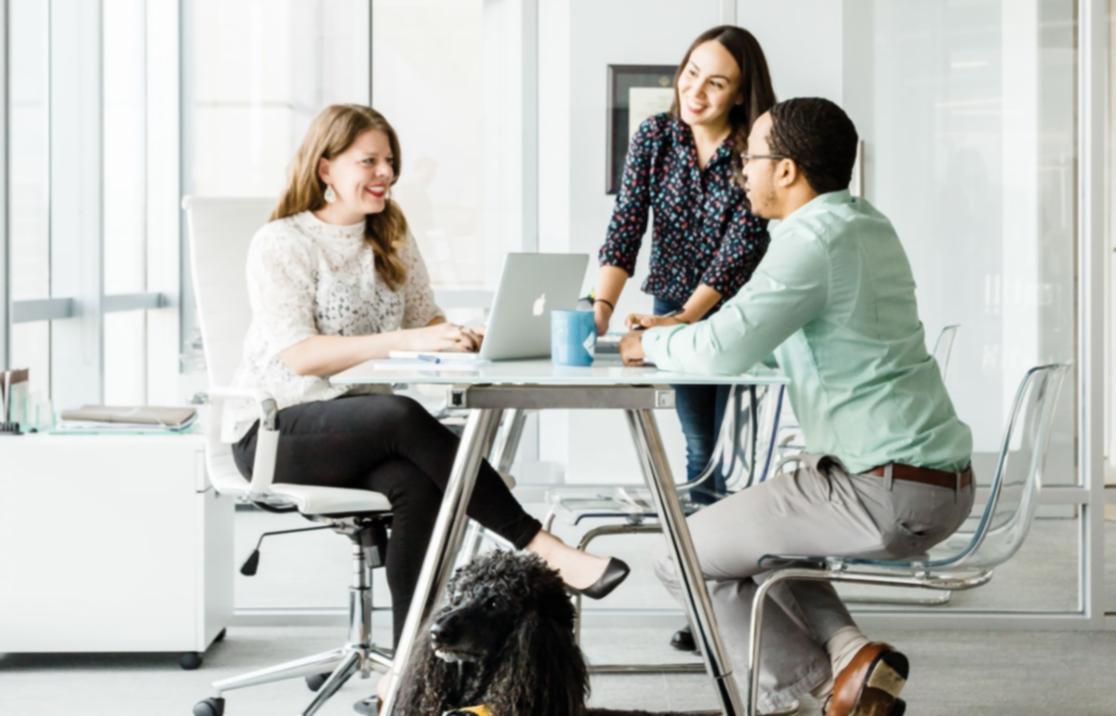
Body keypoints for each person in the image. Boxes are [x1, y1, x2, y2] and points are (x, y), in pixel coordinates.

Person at [226, 104, 629, 707]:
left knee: (420, 487)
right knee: (402, 415)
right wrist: (406, 340)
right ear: (325, 166)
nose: (385, 173)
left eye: (390, 161)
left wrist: (463, 334)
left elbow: (423, 322)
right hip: (278, 429)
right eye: (369, 161)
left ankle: (403, 675)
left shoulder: (390, 232)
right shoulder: (281, 242)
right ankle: (545, 549)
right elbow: (302, 356)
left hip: (360, 435)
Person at [620, 98, 974, 715]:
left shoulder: (811, 240)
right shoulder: (865, 225)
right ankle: (851, 655)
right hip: (933, 480)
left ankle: (815, 694)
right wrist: (684, 336)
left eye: (751, 158)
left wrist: (650, 341)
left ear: (786, 170)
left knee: (681, 556)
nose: (743, 172)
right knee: (760, 535)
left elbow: (727, 348)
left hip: (883, 489)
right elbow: (786, 346)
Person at [593, 25, 775, 507]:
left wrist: (680, 322)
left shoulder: (754, 151)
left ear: (739, 95)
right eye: (692, 73)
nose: (695, 91)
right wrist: (602, 305)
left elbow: (741, 247)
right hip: (671, 303)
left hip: (740, 309)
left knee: (742, 444)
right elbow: (626, 225)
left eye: (716, 83)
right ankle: (708, 553)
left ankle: (741, 536)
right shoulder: (656, 137)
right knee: (701, 442)